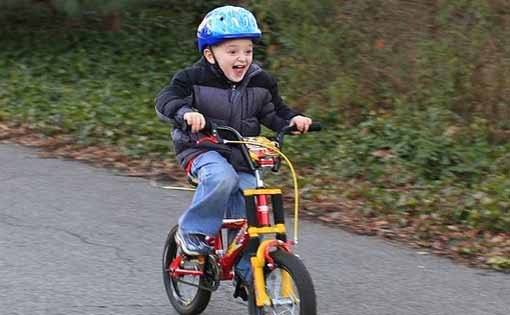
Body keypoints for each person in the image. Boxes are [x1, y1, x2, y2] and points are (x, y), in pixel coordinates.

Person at [155, 5, 312, 285]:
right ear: (209, 54)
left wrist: (293, 120)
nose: (242, 58)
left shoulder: (261, 82)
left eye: (248, 51)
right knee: (221, 177)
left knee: (252, 196)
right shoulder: (192, 79)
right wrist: (185, 113)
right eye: (232, 51)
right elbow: (166, 100)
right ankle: (192, 232)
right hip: (201, 149)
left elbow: (275, 112)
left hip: (242, 154)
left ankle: (245, 268)